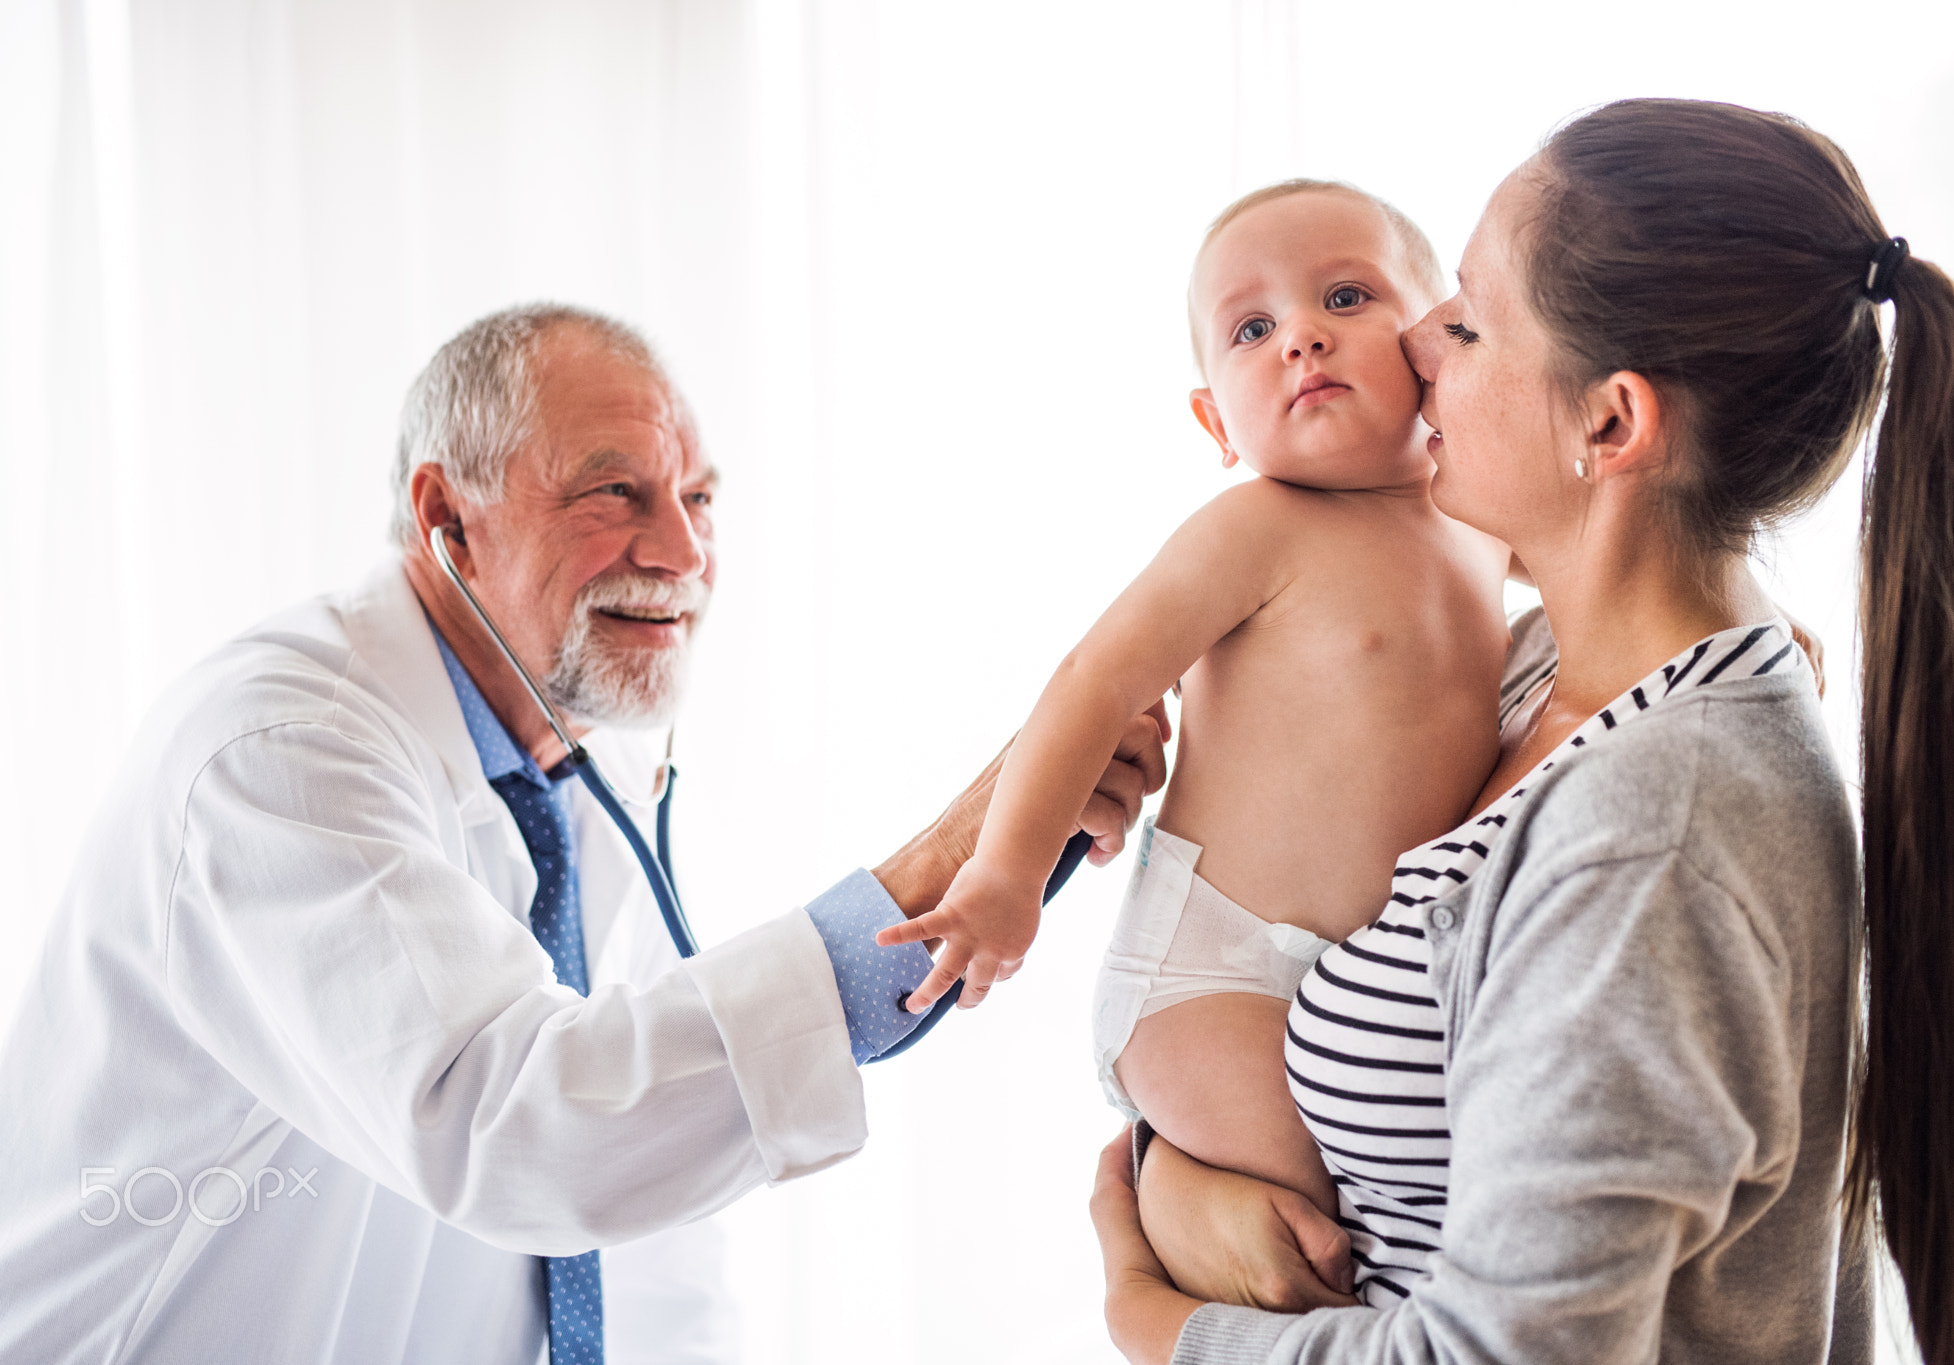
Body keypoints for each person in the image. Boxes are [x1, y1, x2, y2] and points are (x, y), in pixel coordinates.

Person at [0, 304, 1167, 1365]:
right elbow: (524, 1132)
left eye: (697, 499)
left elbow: (649, 1213)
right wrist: (967, 844)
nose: (680, 554)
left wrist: (1004, 846)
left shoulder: (571, 772)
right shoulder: (277, 752)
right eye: (614, 495)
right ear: (446, 514)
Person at [1090, 98, 1954, 1365]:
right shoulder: (1528, 689)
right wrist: (1173, 1176)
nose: (1414, 341)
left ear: (1609, 424)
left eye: (1467, 320)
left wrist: (1154, 1319)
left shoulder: (1653, 837)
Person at [878, 181, 1509, 1222]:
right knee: (1363, 1226)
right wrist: (1005, 872)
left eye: (1345, 298)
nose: (1300, 338)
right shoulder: (1255, 528)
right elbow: (1091, 682)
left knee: (1415, 1201)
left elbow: (1606, 591)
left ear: (1436, 341)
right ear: (1216, 420)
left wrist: (1715, 612)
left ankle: (1176, 1205)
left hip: (1369, 980)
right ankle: (1169, 1207)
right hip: (1216, 980)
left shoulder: (1483, 524)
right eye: (1252, 328)